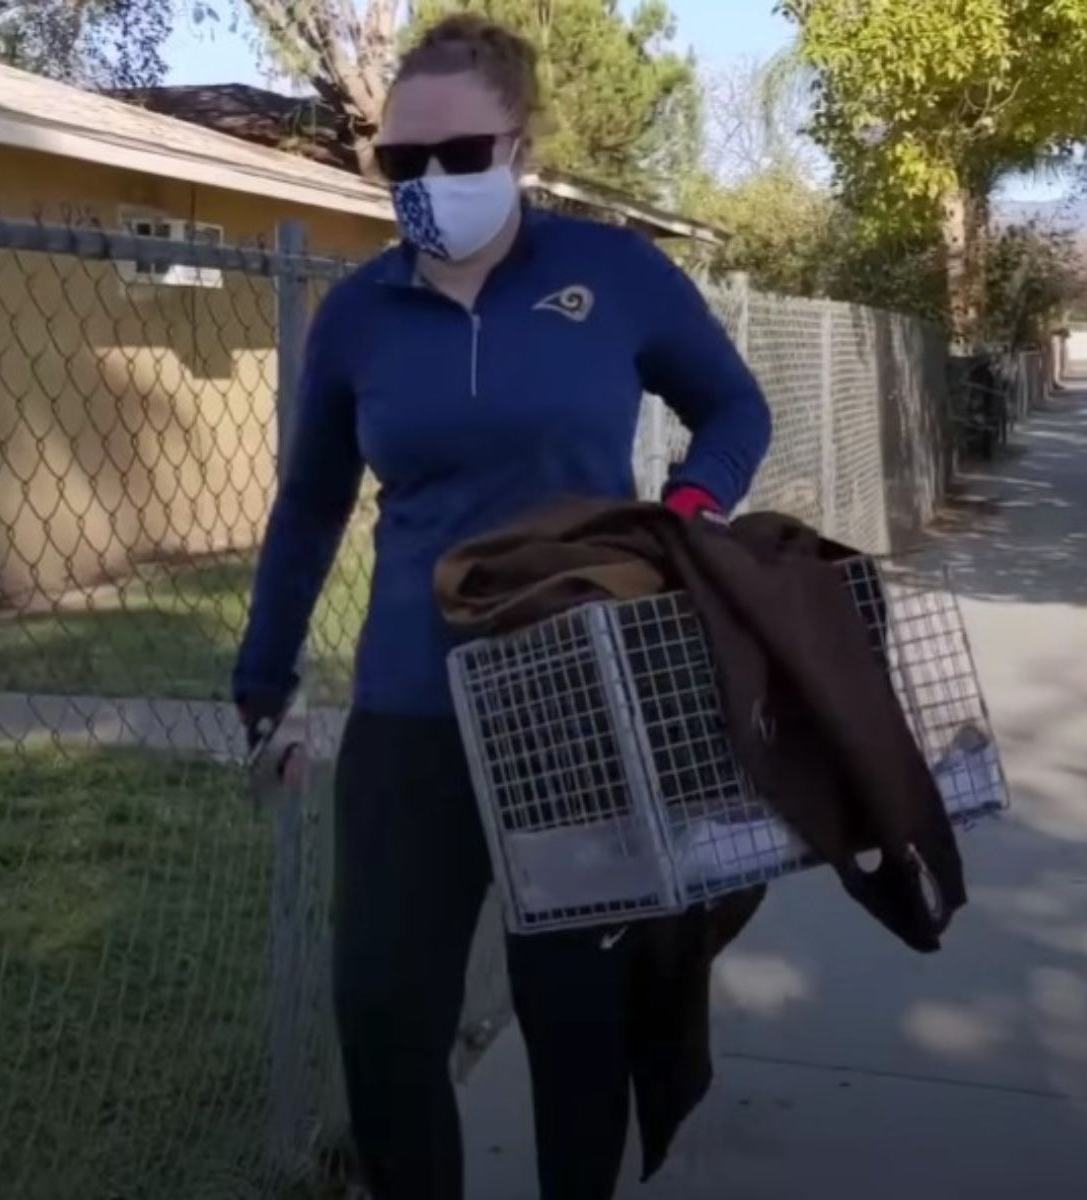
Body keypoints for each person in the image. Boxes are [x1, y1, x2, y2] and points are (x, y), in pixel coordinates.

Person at [233, 14, 772, 1200]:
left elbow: (736, 411)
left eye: (459, 154)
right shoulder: (360, 316)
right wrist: (263, 680)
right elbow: (312, 505)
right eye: (400, 163)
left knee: (576, 1019)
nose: (428, 183)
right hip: (409, 711)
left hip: (581, 708)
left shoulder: (615, 275)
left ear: (520, 146)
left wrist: (684, 514)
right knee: (381, 1016)